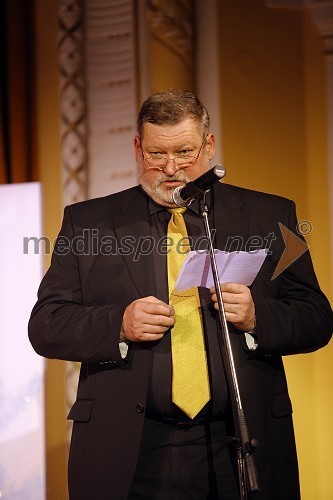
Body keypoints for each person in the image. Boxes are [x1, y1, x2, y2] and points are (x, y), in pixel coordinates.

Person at [29, 89, 333, 499]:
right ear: (138, 148)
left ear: (208, 146)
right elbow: (46, 324)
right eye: (157, 154)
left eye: (185, 152)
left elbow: (316, 316)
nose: (171, 168)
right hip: (128, 451)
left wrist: (258, 316)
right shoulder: (89, 222)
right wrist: (118, 323)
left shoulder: (269, 215)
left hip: (238, 445)